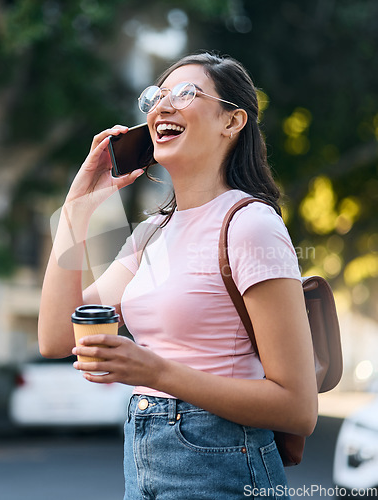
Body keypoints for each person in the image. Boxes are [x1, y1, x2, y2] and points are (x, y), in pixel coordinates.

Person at [38, 51, 318, 499]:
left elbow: (298, 408)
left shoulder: (251, 225)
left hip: (226, 467)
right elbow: (56, 336)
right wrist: (77, 209)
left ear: (233, 121)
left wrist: (157, 371)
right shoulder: (151, 233)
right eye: (156, 97)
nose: (161, 107)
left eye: (185, 93)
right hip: (144, 463)